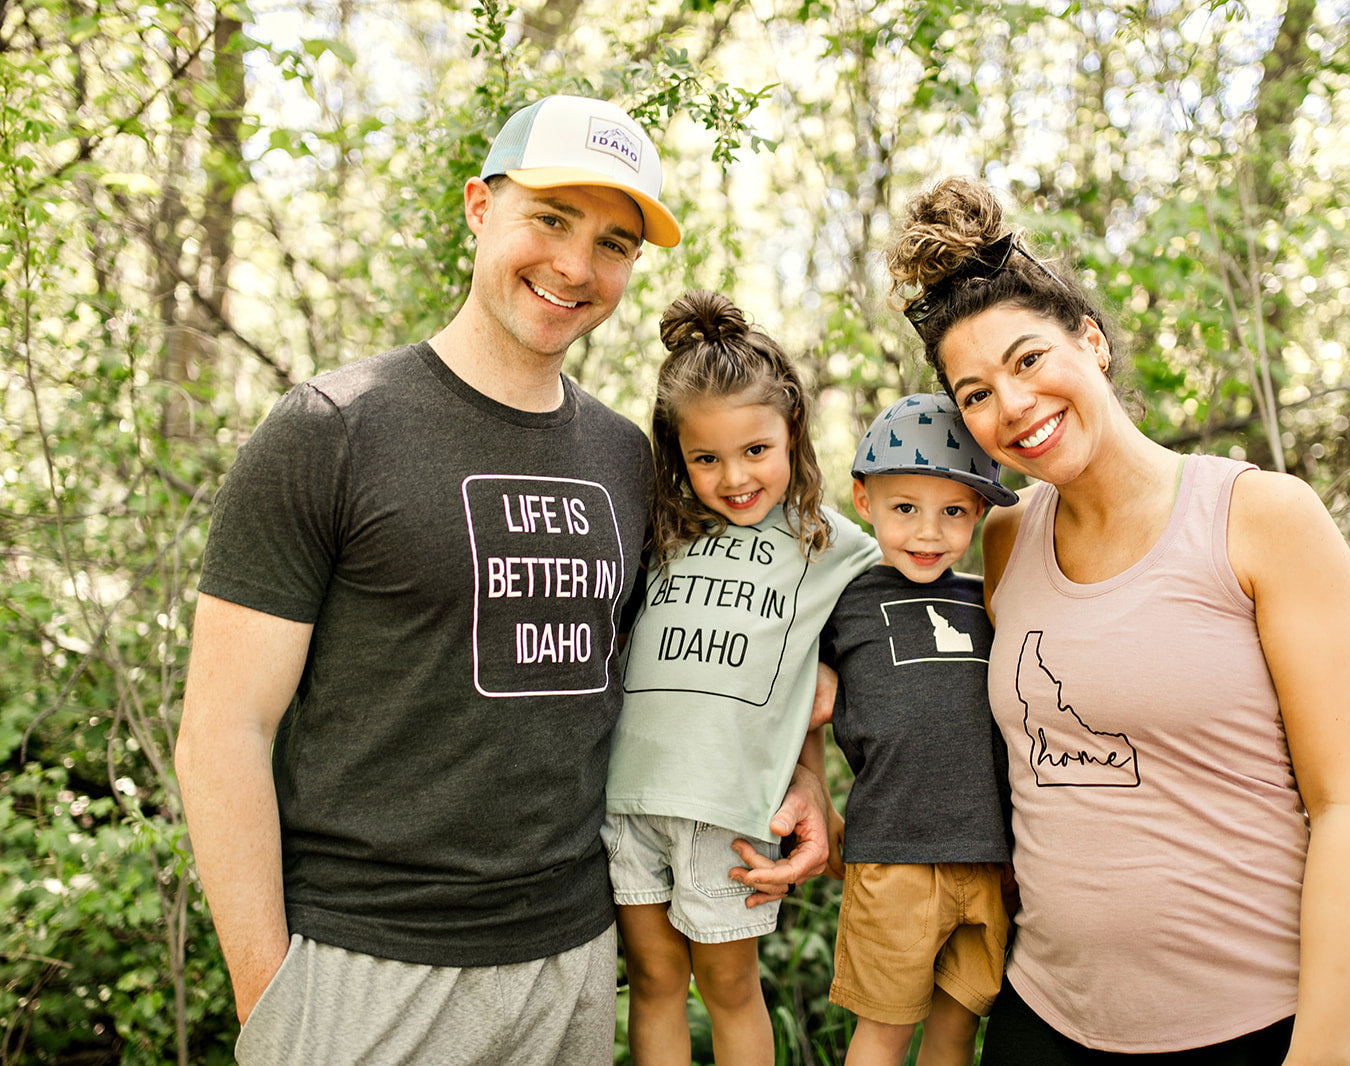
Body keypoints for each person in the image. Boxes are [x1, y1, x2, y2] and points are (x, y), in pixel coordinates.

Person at [173, 96, 826, 1066]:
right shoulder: (331, 428)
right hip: (364, 964)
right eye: (550, 218)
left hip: (566, 960)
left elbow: (702, 657)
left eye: (612, 241)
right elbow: (222, 730)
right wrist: (272, 1004)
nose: (575, 265)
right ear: (479, 207)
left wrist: (803, 772)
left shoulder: (626, 455)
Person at [884, 176, 1350, 1065]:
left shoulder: (1262, 518)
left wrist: (1321, 1051)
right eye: (974, 393)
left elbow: (1348, 807)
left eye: (1029, 360)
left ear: (1091, 341)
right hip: (1045, 1019)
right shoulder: (1003, 543)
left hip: (1261, 1028)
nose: (1011, 406)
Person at [604, 289, 880, 1066]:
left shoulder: (827, 540)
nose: (733, 478)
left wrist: (831, 671)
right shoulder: (658, 528)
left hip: (729, 804)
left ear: (792, 430)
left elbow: (905, 578)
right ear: (677, 456)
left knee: (728, 987)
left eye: (756, 449)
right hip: (627, 797)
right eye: (706, 458)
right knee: (655, 982)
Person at [820, 392, 1018, 1066]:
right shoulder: (843, 599)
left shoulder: (992, 599)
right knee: (884, 1032)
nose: (929, 533)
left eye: (953, 512)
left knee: (958, 1028)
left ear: (980, 514)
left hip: (988, 857)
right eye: (905, 508)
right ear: (863, 500)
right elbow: (792, 705)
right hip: (894, 853)